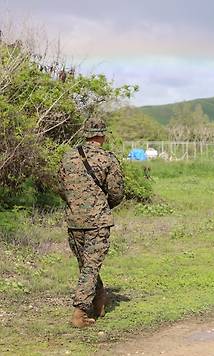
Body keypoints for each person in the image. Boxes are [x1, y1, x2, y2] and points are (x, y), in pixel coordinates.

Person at [57, 117, 124, 327]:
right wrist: (103, 207)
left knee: (87, 265)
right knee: (91, 266)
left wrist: (76, 205)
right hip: (98, 221)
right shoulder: (107, 159)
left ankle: (99, 300)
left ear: (85, 133)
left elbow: (61, 188)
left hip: (74, 220)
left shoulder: (68, 157)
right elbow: (117, 192)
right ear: (102, 135)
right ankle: (79, 313)